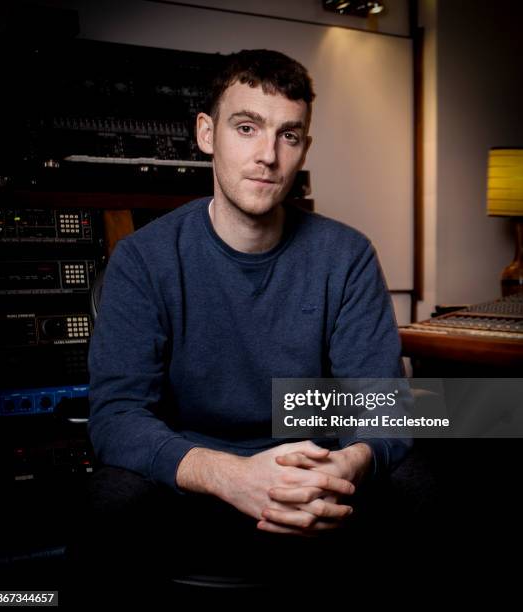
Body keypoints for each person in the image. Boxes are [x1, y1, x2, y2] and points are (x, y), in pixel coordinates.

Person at [80, 49, 413, 597]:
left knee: (425, 484)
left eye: (289, 135)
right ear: (207, 134)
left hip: (315, 471)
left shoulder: (346, 255)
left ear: (304, 146)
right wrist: (230, 476)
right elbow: (116, 415)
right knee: (108, 503)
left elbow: (386, 405)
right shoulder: (143, 259)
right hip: (193, 476)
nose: (268, 156)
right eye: (246, 127)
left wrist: (345, 465)